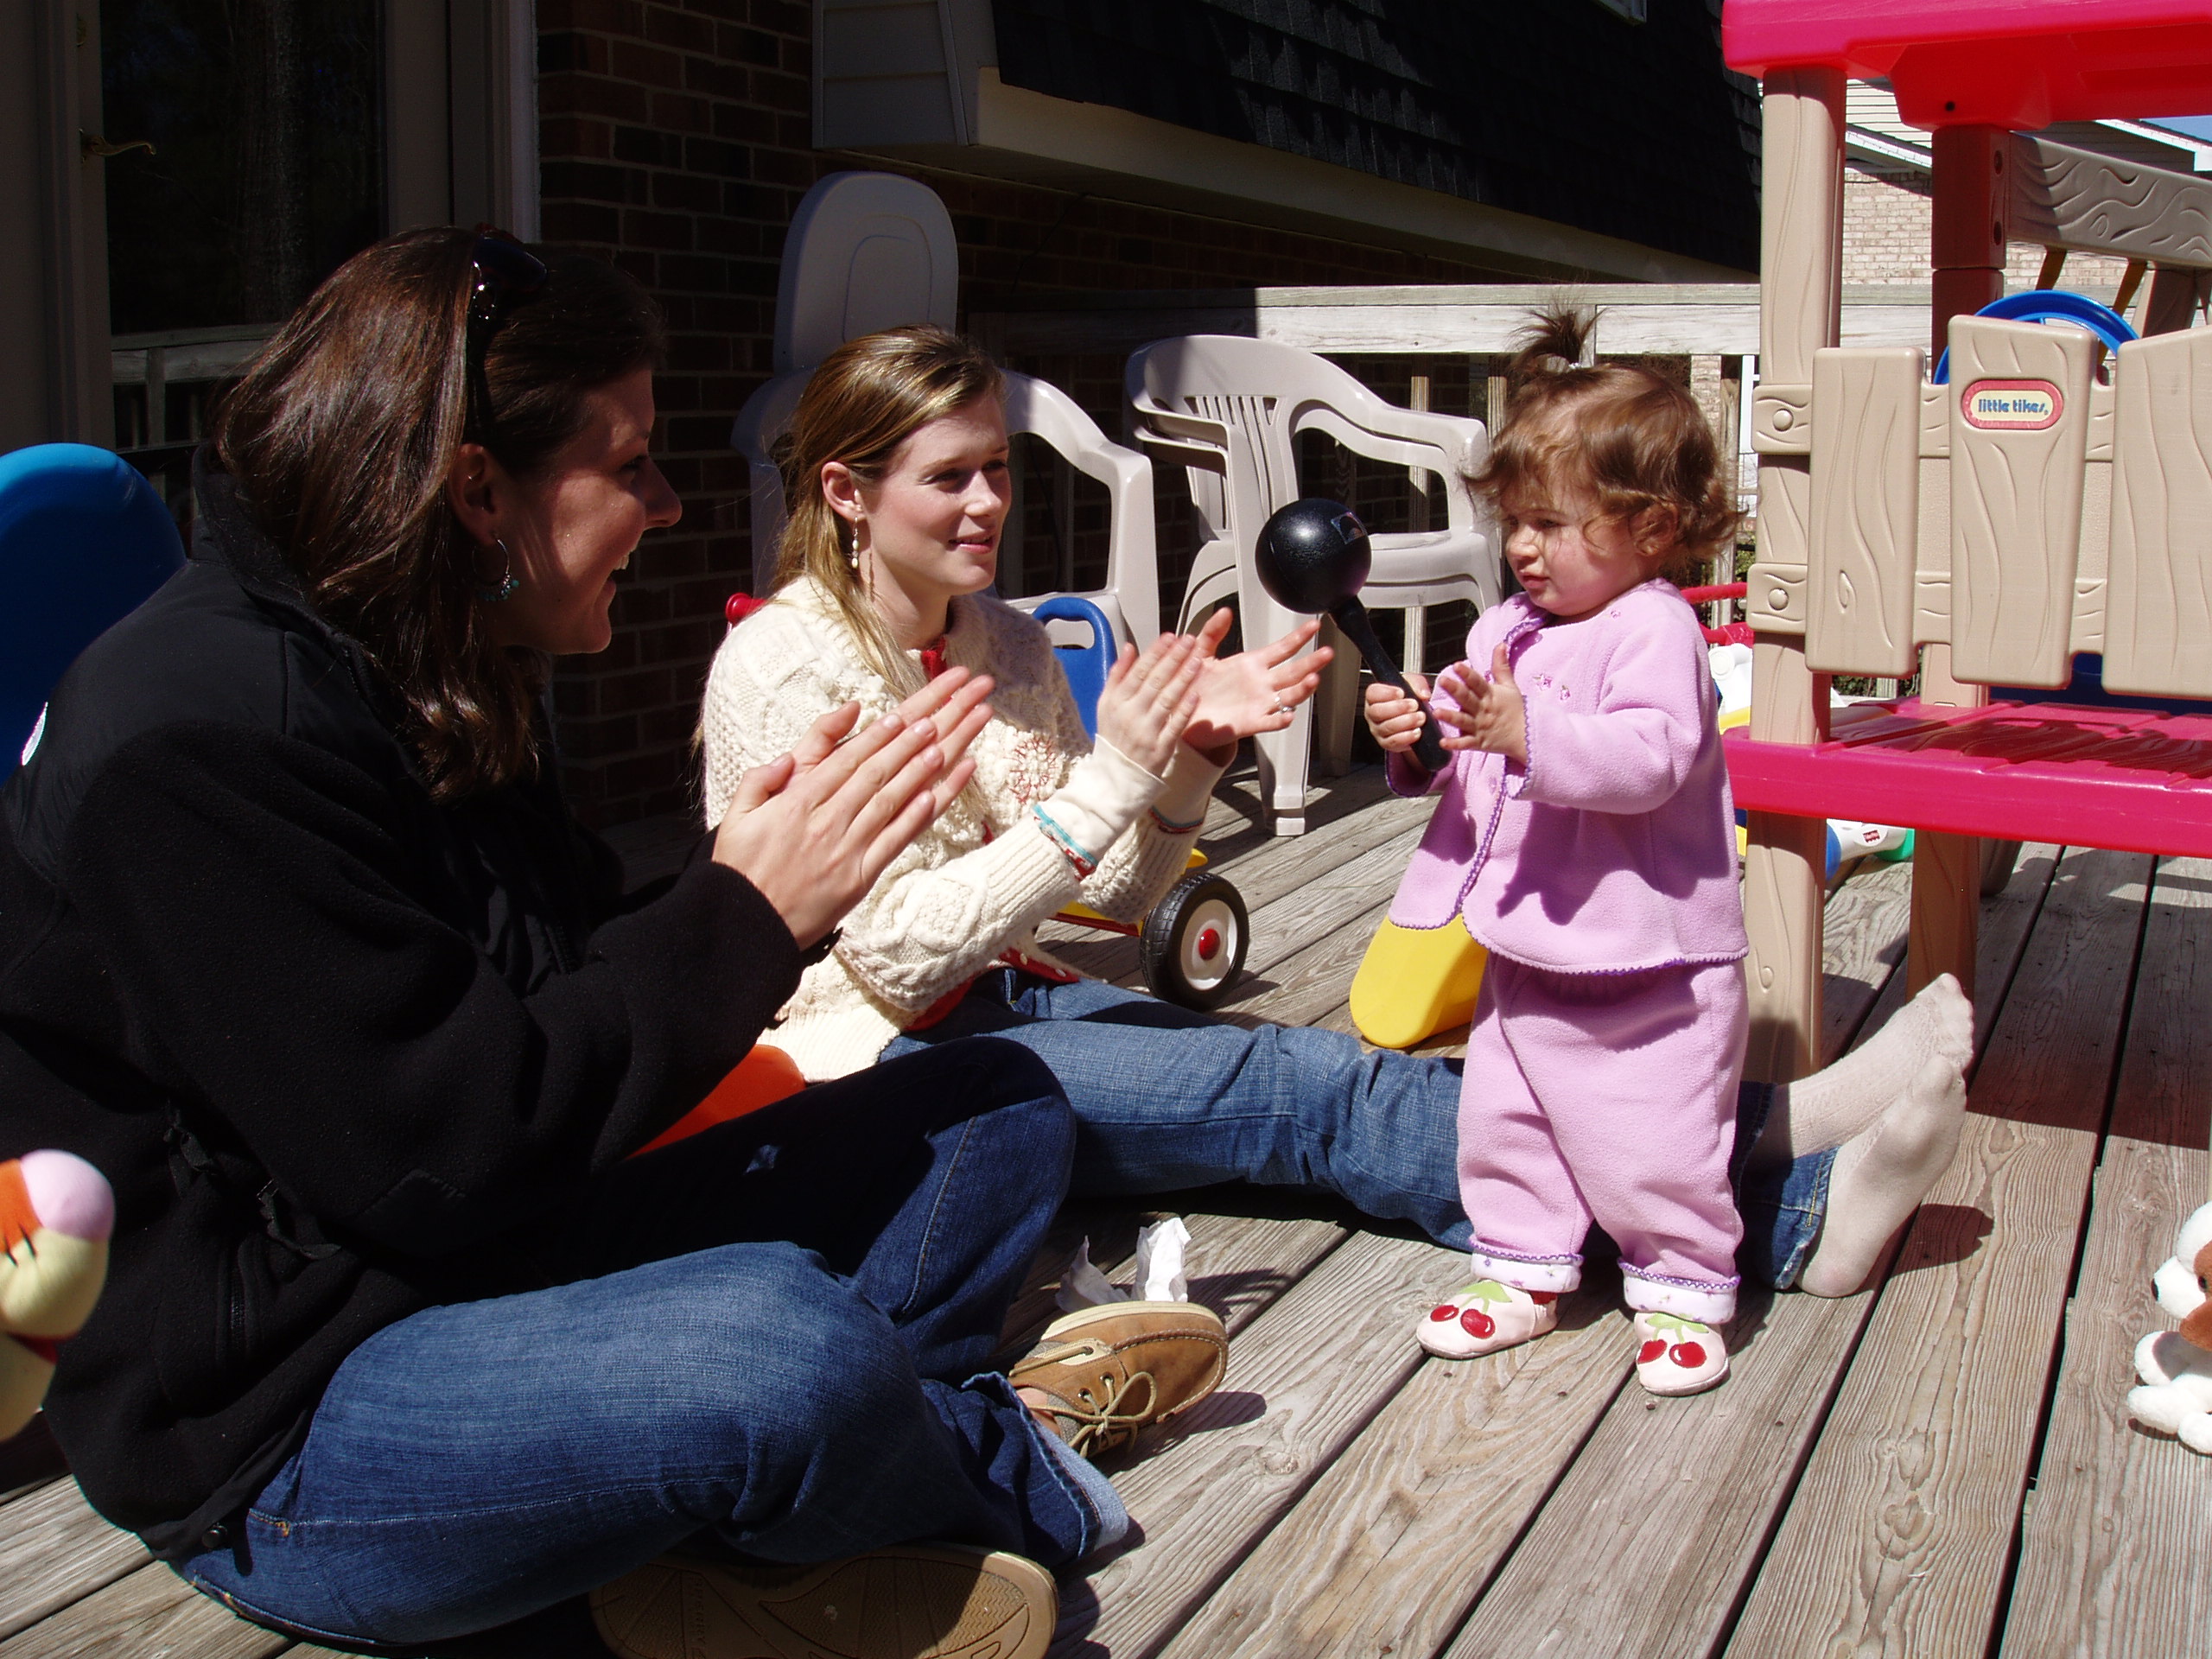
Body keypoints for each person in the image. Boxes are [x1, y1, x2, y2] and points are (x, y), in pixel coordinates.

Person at [0, 229, 1228, 1659]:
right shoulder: (196, 743)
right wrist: (745, 913)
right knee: (776, 1348)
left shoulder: (429, 657)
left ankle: (774, 1515)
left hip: (496, 1254)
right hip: (290, 1423)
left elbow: (564, 983)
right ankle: (1004, 1454)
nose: (666, 501)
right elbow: (440, 1155)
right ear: (479, 490)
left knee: (996, 1110)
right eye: (630, 462)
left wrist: (750, 881)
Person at [699, 325, 1978, 1358]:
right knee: (1314, 1097)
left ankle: (1743, 1123)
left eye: (997, 467)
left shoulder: (1012, 644)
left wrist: (1192, 761)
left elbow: (1112, 906)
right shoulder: (780, 668)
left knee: (1354, 1077)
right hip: (870, 1061)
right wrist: (1114, 779)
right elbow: (893, 959)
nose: (988, 501)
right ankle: (1792, 1218)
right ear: (846, 492)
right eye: (949, 477)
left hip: (1013, 994)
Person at [1367, 308, 1956, 1396]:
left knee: (1655, 1139)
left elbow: (1647, 760)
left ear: (1649, 529)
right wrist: (1421, 741)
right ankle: (1520, 1268)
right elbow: (1479, 768)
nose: (1521, 547)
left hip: (1652, 962)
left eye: (1550, 523)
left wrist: (1527, 731)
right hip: (1529, 944)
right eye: (1514, 521)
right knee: (1507, 1120)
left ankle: (1682, 1285)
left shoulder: (1654, 629)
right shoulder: (1503, 632)